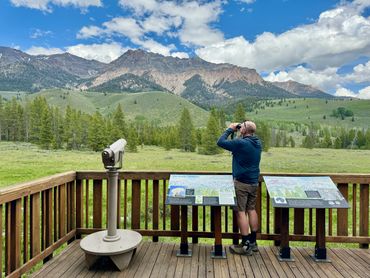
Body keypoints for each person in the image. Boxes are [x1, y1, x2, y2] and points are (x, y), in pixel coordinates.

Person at [217, 120, 262, 256]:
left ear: (244, 130)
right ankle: (253, 242)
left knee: (241, 212)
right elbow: (240, 147)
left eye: (241, 125)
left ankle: (245, 245)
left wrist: (230, 129)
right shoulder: (257, 143)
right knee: (251, 209)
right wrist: (240, 131)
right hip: (254, 182)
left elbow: (220, 142)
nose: (239, 126)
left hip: (241, 183)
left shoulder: (240, 143)